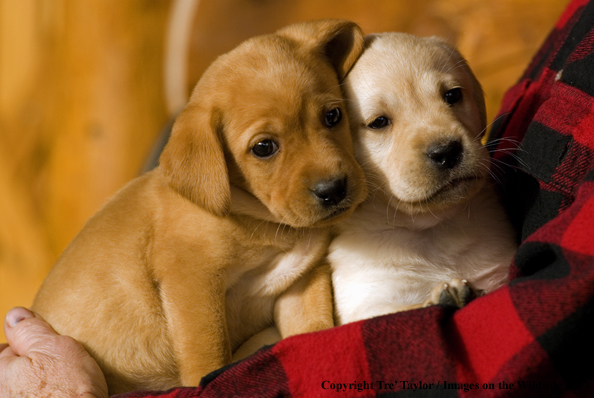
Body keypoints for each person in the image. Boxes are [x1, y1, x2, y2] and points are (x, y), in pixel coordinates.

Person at [2, 0, 594, 395]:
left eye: (333, 118)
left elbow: (318, 318)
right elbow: (195, 278)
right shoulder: (213, 208)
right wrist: (210, 382)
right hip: (105, 363)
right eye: (266, 148)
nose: (327, 168)